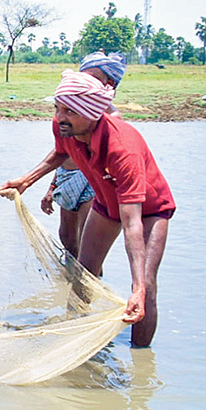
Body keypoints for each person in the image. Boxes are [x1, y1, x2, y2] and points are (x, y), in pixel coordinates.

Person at [0, 70, 175, 347]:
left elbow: (132, 224)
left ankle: (140, 360)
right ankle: (73, 337)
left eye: (69, 110)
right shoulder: (64, 128)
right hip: (106, 204)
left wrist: (137, 287)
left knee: (146, 287)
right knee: (83, 274)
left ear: (91, 113)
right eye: (58, 107)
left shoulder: (123, 149)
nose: (60, 117)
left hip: (149, 211)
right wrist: (27, 180)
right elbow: (61, 153)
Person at [39, 51, 126, 257]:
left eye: (94, 78)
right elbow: (63, 152)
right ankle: (70, 283)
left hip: (92, 182)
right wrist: (52, 186)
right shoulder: (68, 112)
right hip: (66, 178)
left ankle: (90, 282)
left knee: (87, 240)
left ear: (109, 84)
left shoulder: (111, 118)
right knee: (67, 238)